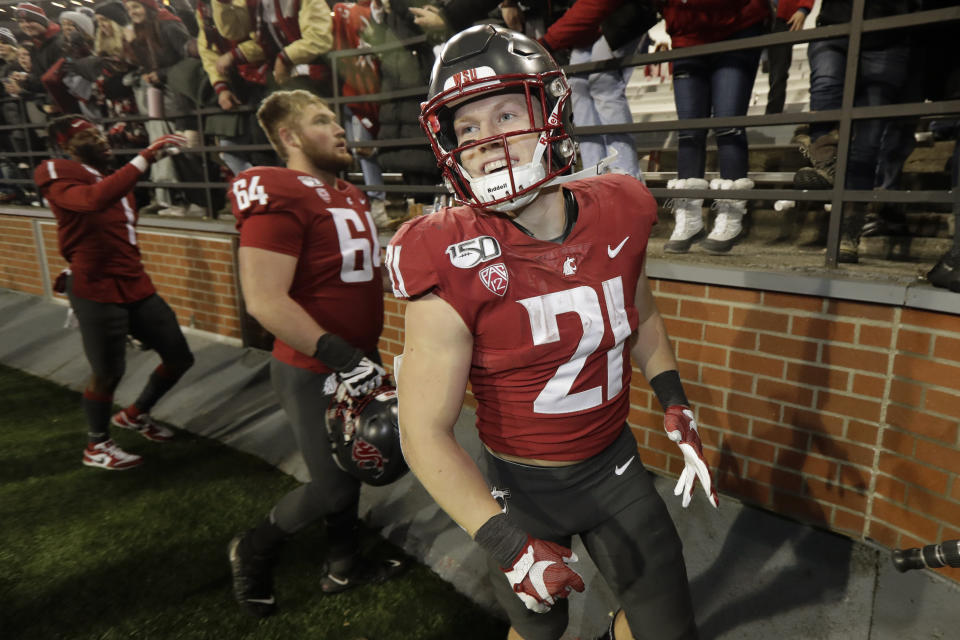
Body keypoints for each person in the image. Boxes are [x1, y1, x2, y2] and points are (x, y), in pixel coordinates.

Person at [386, 25, 718, 640]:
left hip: (615, 467)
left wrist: (672, 397)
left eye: (506, 112)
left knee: (668, 630)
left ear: (550, 113)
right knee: (538, 633)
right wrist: (509, 543)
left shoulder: (619, 204)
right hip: (519, 486)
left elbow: (634, 305)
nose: (488, 142)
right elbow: (422, 432)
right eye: (468, 128)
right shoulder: (443, 251)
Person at [227, 89, 404, 618]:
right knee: (332, 486)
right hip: (314, 365)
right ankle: (253, 548)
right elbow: (263, 299)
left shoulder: (347, 192)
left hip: (355, 355)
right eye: (322, 120)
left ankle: (343, 565)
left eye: (335, 117)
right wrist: (343, 357)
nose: (338, 127)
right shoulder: (280, 192)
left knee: (355, 465)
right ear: (288, 136)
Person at [33, 115, 195, 470]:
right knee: (108, 372)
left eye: (101, 133)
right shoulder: (54, 169)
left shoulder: (113, 178)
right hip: (94, 285)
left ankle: (135, 415)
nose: (102, 140)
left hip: (133, 281)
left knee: (179, 355)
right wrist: (144, 158)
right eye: (89, 136)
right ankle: (96, 444)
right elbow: (92, 201)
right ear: (65, 145)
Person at [659, 0, 770, 255]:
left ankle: (731, 219)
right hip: (688, 36)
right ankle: (689, 221)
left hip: (736, 26)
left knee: (728, 124)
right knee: (688, 131)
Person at [764, 0, 814, 115]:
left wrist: (803, 10)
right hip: (757, 17)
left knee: (779, 69)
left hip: (782, 17)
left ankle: (773, 113)